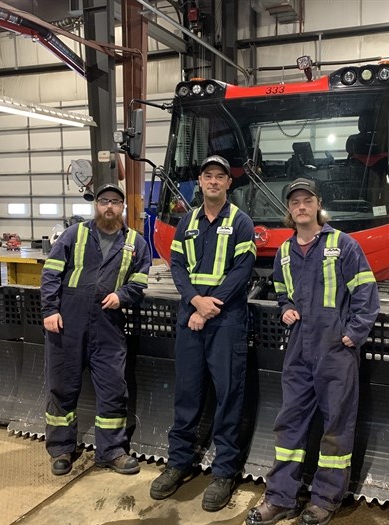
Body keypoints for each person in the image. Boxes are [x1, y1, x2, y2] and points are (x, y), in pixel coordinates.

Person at [247, 178, 380, 525]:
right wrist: (285, 307)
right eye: (295, 202)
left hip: (335, 349)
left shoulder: (344, 245)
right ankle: (280, 498)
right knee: (289, 423)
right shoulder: (285, 253)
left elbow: (366, 293)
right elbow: (280, 290)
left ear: (317, 204)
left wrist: (353, 334)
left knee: (336, 425)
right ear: (289, 210)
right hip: (299, 348)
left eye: (307, 200)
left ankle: (324, 499)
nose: (301, 206)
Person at [150, 155, 256, 511]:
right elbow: (176, 266)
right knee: (187, 394)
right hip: (192, 319)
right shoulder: (187, 222)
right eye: (208, 176)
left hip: (226, 321)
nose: (213, 181)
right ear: (200, 182)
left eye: (220, 177)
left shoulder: (241, 222)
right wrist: (196, 301)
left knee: (229, 396)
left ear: (229, 184)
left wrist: (210, 306)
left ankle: (224, 470)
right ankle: (179, 462)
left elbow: (243, 270)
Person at [41, 182, 151, 476]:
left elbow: (140, 282)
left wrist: (122, 295)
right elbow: (51, 272)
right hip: (68, 322)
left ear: (122, 208)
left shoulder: (136, 243)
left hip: (108, 322)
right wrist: (50, 310)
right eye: (104, 201)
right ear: (96, 205)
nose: (109, 207)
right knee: (62, 387)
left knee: (113, 388)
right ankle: (61, 449)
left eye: (115, 202)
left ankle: (111, 451)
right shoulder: (74, 234)